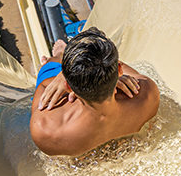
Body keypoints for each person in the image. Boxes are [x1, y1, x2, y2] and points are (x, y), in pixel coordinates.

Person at [30, 29, 160, 157]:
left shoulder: (45, 129)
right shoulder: (147, 94)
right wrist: (104, 77)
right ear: (119, 71)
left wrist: (65, 74)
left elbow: (43, 86)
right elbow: (122, 68)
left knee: (49, 67)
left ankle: (58, 56)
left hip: (72, 82)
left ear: (68, 86)